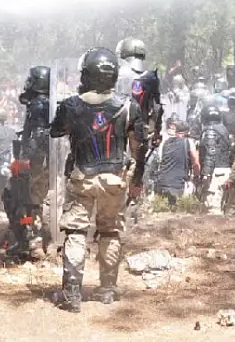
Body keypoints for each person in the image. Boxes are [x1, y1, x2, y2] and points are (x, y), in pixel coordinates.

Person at [51, 48, 143, 312]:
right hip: (115, 179)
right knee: (110, 232)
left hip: (83, 179)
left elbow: (57, 130)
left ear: (87, 74)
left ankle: (72, 292)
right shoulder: (128, 105)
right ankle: (107, 291)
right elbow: (139, 146)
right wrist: (136, 178)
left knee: (77, 232)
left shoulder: (71, 105)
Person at [13, 65, 52, 260]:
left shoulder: (38, 104)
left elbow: (37, 134)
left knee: (30, 200)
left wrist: (25, 158)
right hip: (47, 159)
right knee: (39, 198)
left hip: (37, 160)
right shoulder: (51, 103)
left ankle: (35, 242)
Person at [115, 37, 162, 199]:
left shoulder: (116, 73)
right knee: (138, 165)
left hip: (117, 125)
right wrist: (156, 131)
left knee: (116, 161)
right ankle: (133, 199)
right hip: (140, 128)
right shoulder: (151, 77)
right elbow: (156, 108)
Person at [197, 103, 233, 213]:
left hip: (214, 173)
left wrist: (206, 174)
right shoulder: (224, 130)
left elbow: (210, 152)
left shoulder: (210, 131)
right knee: (221, 207)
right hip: (225, 171)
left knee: (212, 210)